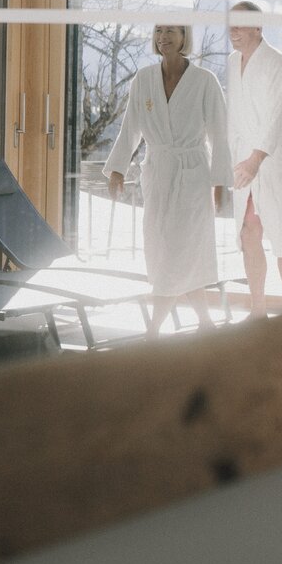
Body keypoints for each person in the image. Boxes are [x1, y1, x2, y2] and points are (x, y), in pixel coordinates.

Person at [104, 24, 231, 338]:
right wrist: (118, 168)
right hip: (159, 173)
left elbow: (219, 134)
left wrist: (220, 182)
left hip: (192, 175)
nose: (164, 37)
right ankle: (205, 323)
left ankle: (153, 329)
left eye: (171, 31)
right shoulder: (144, 79)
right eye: (159, 30)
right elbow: (131, 126)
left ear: (185, 35)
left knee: (181, 251)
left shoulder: (205, 81)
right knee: (168, 251)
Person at [226, 1, 282, 316]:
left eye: (240, 25)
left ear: (258, 28)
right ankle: (258, 308)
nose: (233, 32)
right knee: (249, 233)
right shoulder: (234, 63)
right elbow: (233, 115)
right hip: (244, 156)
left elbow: (277, 117)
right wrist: (227, 158)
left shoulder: (279, 64)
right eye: (230, 25)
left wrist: (256, 159)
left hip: (276, 158)